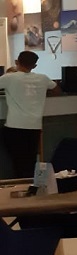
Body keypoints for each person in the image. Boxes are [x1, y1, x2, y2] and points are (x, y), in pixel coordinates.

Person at [0, 51, 57, 180]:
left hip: (14, 126)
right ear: (35, 66)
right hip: (34, 127)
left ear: (16, 62)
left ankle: (19, 184)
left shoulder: (9, 78)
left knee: (18, 162)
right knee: (30, 161)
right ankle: (30, 184)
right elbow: (56, 89)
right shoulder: (43, 78)